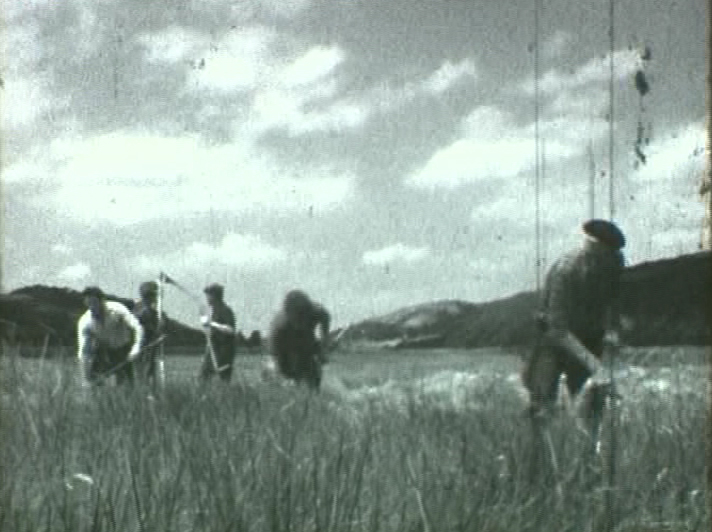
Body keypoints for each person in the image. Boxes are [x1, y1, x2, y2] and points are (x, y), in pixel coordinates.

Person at [522, 219, 626, 427]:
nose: (614, 260)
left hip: (588, 340)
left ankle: (588, 450)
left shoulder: (612, 263)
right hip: (552, 343)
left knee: (591, 407)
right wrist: (594, 364)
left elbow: (612, 304)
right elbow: (557, 329)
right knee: (542, 409)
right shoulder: (567, 270)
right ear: (594, 249)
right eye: (607, 255)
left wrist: (612, 333)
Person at [77, 286, 144, 387]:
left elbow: (137, 328)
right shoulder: (85, 322)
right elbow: (83, 352)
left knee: (127, 385)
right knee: (94, 381)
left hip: (124, 348)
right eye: (88, 304)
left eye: (94, 303)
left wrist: (136, 348)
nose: (92, 307)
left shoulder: (118, 309)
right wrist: (85, 378)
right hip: (103, 350)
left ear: (102, 300)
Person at [267, 289, 331, 390]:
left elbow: (325, 328)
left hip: (306, 338)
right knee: (290, 376)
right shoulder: (279, 329)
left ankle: (313, 390)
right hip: (286, 344)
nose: (301, 319)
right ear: (289, 315)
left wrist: (324, 350)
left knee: (313, 378)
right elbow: (278, 356)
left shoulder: (318, 312)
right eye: (297, 317)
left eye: (303, 315)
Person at [199, 283, 236, 383]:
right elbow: (210, 331)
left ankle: (225, 397)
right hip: (213, 348)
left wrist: (211, 323)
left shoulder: (225, 310)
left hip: (224, 350)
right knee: (203, 377)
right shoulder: (212, 311)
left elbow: (230, 330)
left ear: (214, 296)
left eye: (208, 295)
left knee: (223, 379)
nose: (206, 298)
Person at [132, 281, 164, 390]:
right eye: (152, 295)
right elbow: (136, 324)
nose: (154, 298)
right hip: (142, 346)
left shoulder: (153, 309)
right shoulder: (140, 307)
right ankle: (144, 394)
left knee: (150, 371)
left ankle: (151, 393)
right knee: (143, 373)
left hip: (151, 345)